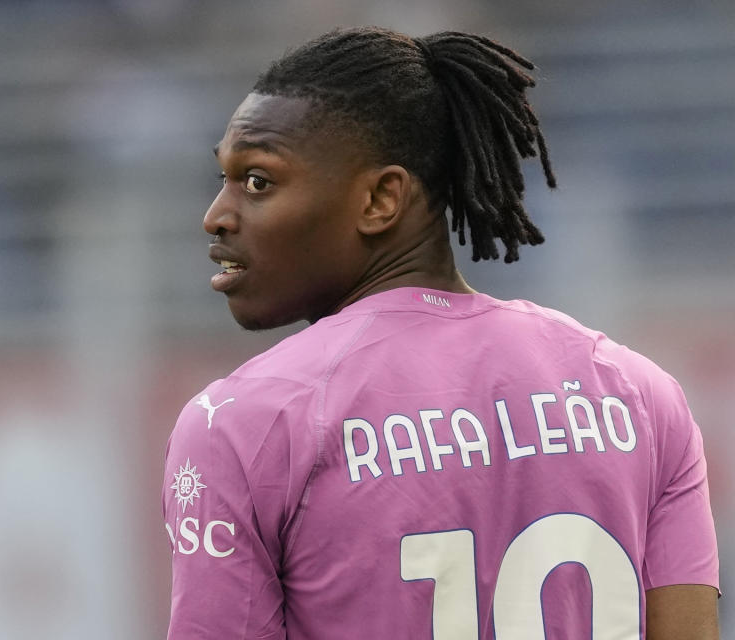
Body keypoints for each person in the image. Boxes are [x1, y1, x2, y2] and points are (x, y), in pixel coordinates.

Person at [161, 27, 720, 639]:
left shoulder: (242, 423)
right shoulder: (638, 394)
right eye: (225, 178)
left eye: (257, 182)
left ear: (381, 199)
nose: (216, 214)